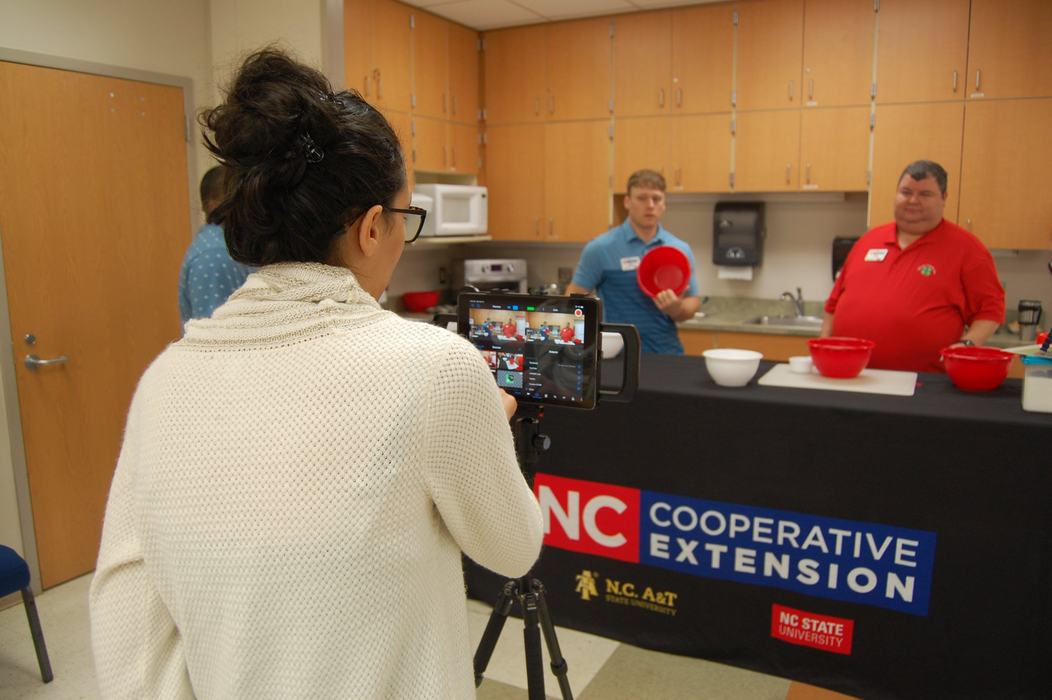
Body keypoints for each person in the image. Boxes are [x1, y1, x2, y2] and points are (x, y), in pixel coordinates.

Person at [90, 48, 543, 699]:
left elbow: (127, 618)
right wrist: (484, 429)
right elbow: (513, 549)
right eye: (404, 219)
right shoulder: (437, 369)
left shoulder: (165, 380)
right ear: (369, 229)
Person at [821, 160, 1005, 373]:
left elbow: (990, 311)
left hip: (924, 383)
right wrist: (824, 346)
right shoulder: (867, 241)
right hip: (851, 375)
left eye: (925, 194)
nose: (913, 200)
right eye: (905, 192)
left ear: (944, 198)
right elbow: (833, 305)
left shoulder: (968, 249)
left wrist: (968, 345)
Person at [566, 169, 701, 354]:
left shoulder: (680, 249)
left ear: (664, 204)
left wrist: (677, 309)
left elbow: (693, 302)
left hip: (667, 354)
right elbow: (573, 299)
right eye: (642, 198)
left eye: (657, 198)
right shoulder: (600, 248)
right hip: (617, 357)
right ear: (628, 202)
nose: (650, 205)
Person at [178, 165, 252, 324]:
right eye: (235, 193)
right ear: (211, 204)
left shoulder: (227, 247)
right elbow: (215, 337)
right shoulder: (214, 257)